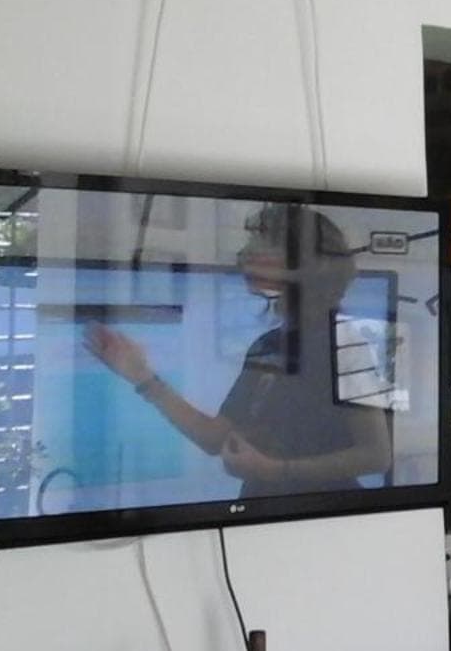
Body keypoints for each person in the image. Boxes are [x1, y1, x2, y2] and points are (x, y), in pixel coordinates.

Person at [84, 203, 392, 497]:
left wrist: (277, 471)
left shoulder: (347, 344)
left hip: (327, 519)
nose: (245, 254)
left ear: (304, 264)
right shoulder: (267, 345)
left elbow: (377, 455)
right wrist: (142, 376)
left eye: (263, 243)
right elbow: (214, 438)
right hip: (263, 511)